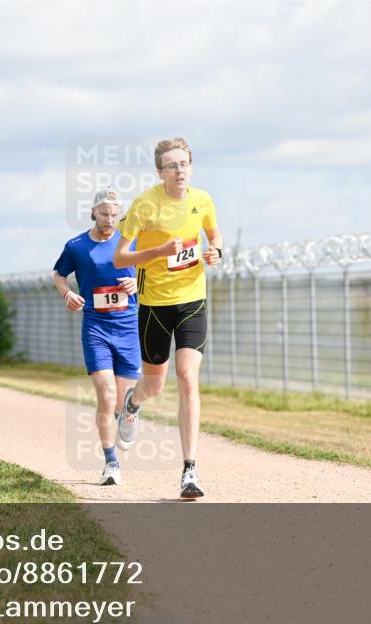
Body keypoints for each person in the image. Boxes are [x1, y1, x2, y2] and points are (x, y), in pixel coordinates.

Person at [113, 138, 223, 499]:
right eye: (172, 166)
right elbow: (120, 258)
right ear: (160, 172)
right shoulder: (145, 205)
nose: (179, 171)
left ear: (191, 167)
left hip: (192, 299)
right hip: (155, 305)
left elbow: (214, 235)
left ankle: (189, 470)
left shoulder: (202, 200)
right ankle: (133, 402)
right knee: (154, 386)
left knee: (188, 377)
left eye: (184, 164)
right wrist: (159, 251)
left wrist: (216, 251)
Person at [53, 189, 140, 486]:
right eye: (104, 214)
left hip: (128, 327)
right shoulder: (76, 246)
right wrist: (67, 294)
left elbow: (151, 272)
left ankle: (130, 411)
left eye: (115, 215)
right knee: (106, 395)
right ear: (93, 212)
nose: (109, 220)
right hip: (95, 328)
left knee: (122, 402)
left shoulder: (130, 242)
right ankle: (111, 462)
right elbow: (59, 275)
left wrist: (136, 283)